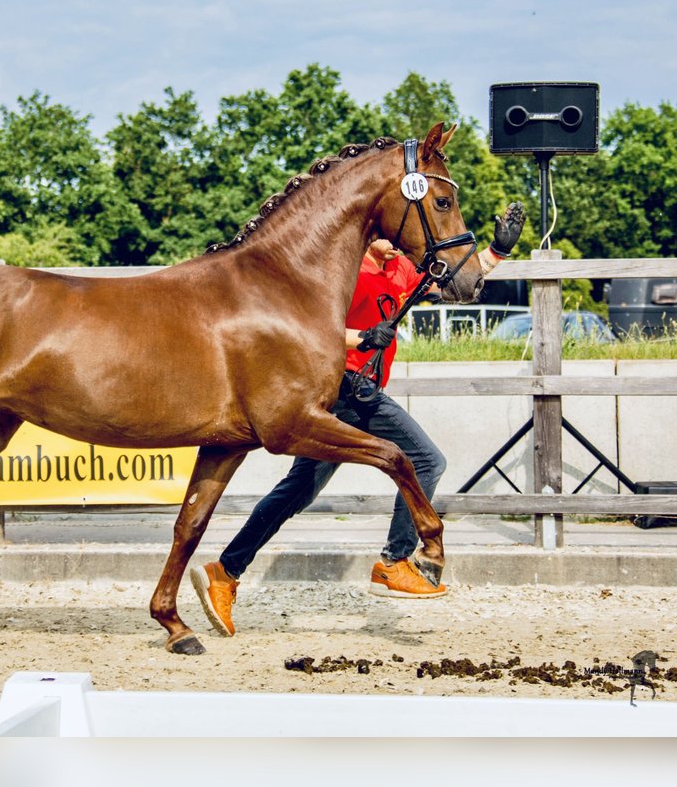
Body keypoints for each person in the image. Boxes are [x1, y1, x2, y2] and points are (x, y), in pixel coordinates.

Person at [190, 201, 527, 636]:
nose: (398, 242)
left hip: (356, 391)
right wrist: (363, 337)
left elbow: (456, 283)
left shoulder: (401, 271)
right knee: (426, 461)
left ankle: (224, 572)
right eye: (389, 234)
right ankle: (395, 562)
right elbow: (306, 328)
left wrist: (497, 251)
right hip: (348, 386)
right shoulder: (347, 274)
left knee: (298, 490)